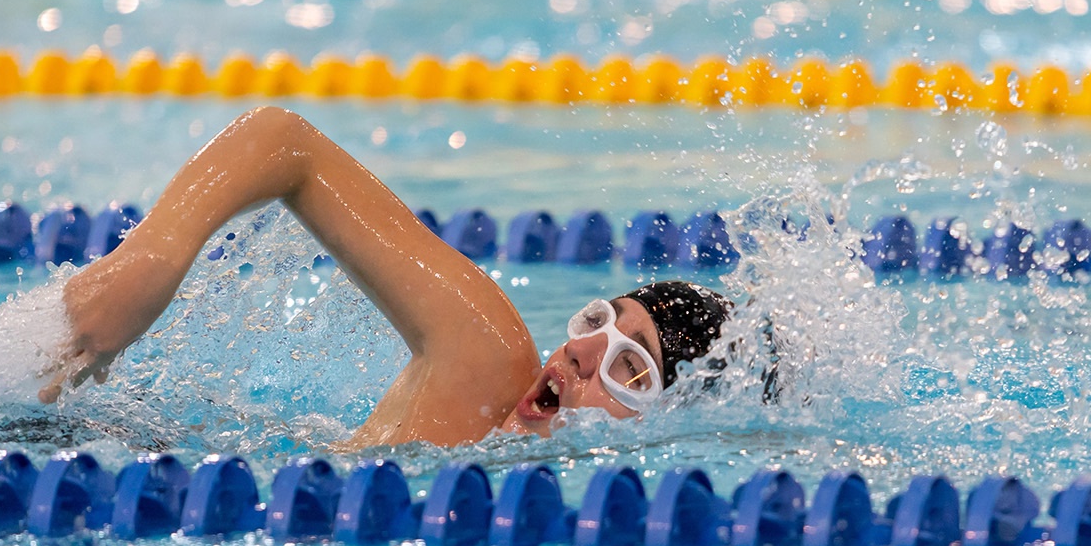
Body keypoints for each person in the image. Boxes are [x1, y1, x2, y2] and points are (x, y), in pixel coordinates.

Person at [41, 106, 732, 447]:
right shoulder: (491, 363)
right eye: (597, 321)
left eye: (631, 370)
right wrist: (154, 258)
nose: (582, 351)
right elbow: (283, 142)